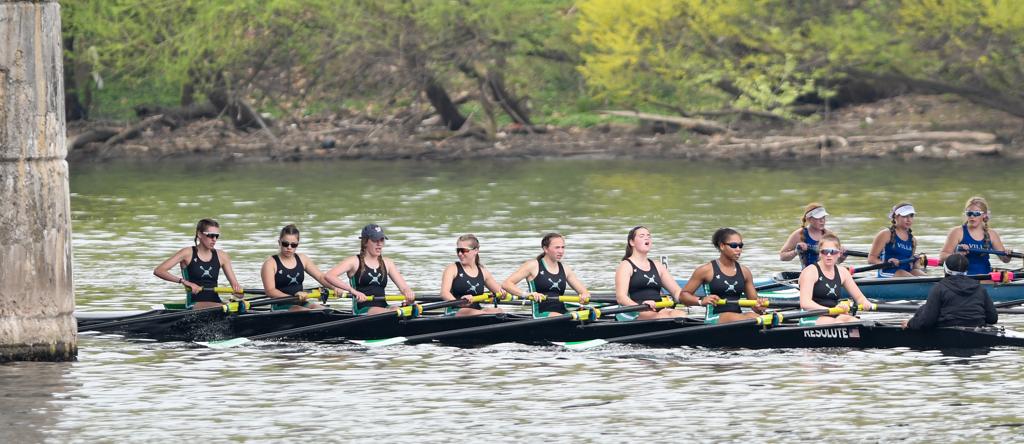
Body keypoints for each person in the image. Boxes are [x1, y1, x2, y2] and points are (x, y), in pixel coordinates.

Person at [324, 224, 416, 315]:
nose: (379, 244)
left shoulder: (388, 263)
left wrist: (408, 293)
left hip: (384, 308)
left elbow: (404, 288)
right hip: (362, 310)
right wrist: (352, 291)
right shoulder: (354, 261)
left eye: (382, 240)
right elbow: (329, 275)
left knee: (397, 309)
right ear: (365, 242)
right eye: (375, 240)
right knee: (394, 312)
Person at [679, 228, 766, 324]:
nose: (738, 249)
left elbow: (754, 304)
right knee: (746, 318)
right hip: (714, 317)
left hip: (738, 318)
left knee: (754, 316)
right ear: (722, 246)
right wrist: (701, 300)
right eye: (734, 245)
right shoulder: (706, 270)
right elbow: (683, 296)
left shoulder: (745, 272)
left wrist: (760, 307)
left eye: (740, 246)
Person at [154, 218, 243, 309]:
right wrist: (184, 282)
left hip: (217, 304)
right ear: (199, 234)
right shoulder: (187, 253)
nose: (214, 239)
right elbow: (159, 271)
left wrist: (238, 293)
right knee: (224, 308)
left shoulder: (222, 256)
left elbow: (236, 287)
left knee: (240, 306)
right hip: (194, 304)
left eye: (217, 236)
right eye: (211, 235)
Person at [615, 226, 697, 320]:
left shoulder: (658, 266)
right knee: (658, 317)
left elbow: (676, 291)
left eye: (649, 236)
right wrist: (640, 306)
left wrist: (690, 299)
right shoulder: (625, 266)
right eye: (642, 236)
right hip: (635, 310)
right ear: (632, 242)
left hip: (658, 309)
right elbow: (621, 297)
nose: (647, 238)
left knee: (680, 314)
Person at [502, 233, 591, 317]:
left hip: (562, 314)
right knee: (566, 317)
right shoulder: (533, 265)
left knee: (590, 312)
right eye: (557, 247)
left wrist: (584, 296)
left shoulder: (565, 269)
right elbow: (507, 284)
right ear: (545, 249)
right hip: (541, 314)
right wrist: (527, 294)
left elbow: (584, 292)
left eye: (563, 247)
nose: (561, 251)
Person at [902, 254, 997, 329]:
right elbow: (992, 318)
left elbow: (927, 322)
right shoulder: (979, 288)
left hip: (948, 332)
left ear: (945, 269)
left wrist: (911, 323)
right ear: (966, 270)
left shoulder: (939, 288)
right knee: (923, 308)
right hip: (977, 330)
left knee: (923, 310)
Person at [798, 234, 874, 325]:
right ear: (820, 253)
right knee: (839, 323)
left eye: (833, 252)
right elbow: (805, 303)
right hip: (811, 316)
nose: (829, 255)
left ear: (839, 254)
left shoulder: (843, 272)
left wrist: (865, 303)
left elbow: (859, 297)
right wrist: (832, 310)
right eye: (825, 252)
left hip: (834, 314)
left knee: (854, 321)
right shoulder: (810, 272)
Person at [260, 224, 335, 311]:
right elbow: (270, 291)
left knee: (325, 310)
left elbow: (321, 277)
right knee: (305, 312)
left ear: (297, 244)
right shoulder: (270, 263)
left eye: (293, 245)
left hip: (301, 302)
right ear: (279, 242)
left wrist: (335, 288)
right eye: (285, 244)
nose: (289, 247)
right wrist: (293, 298)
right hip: (280, 305)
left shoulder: (303, 259)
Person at [940, 196, 1013, 275]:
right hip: (961, 278)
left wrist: (1008, 255)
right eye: (969, 213)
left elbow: (1005, 260)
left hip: (985, 277)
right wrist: (957, 255)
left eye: (976, 213)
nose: (972, 216)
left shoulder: (992, 234)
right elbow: (942, 257)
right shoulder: (957, 232)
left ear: (984, 215)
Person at [440, 234, 506, 316]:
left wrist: (502, 294)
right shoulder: (452, 268)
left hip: (477, 311)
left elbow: (499, 292)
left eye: (463, 250)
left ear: (476, 250)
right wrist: (459, 303)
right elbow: (444, 293)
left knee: (499, 311)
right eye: (458, 250)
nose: (460, 253)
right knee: (477, 313)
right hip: (455, 310)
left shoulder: (483, 271)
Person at [868, 202, 926, 277]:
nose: (909, 220)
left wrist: (917, 263)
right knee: (904, 274)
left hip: (906, 273)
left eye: (911, 216)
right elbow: (871, 259)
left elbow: (911, 265)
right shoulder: (885, 234)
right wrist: (886, 263)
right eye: (905, 216)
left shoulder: (913, 240)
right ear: (896, 217)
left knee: (921, 274)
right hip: (887, 272)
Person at [779, 203, 841, 268]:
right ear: (809, 219)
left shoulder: (830, 235)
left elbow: (838, 261)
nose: (822, 221)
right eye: (818, 218)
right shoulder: (799, 234)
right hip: (808, 272)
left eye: (823, 217)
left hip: (828, 271)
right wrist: (796, 251)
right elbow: (782, 257)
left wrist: (843, 256)